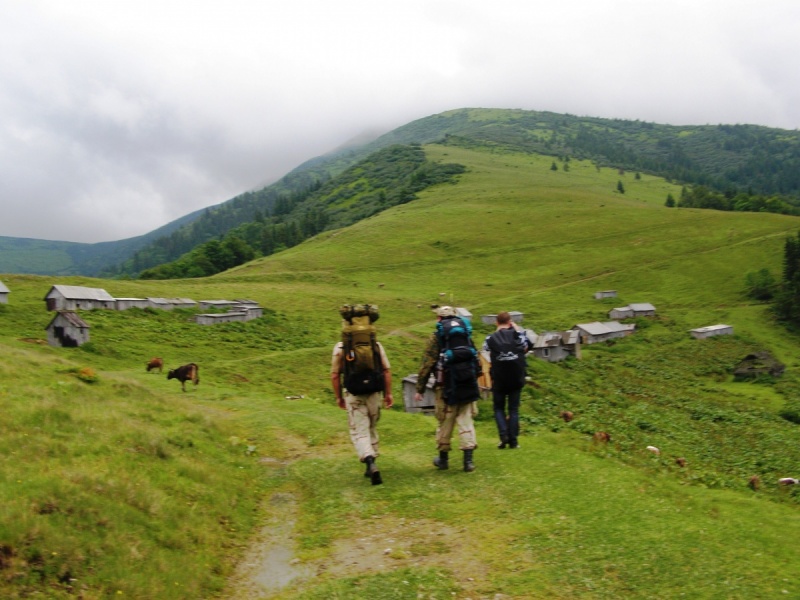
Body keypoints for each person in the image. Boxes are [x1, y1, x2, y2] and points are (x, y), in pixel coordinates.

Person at [414, 306, 480, 472]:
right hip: (467, 383)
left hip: (445, 386)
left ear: (439, 319)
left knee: (445, 420)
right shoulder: (465, 333)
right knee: (466, 420)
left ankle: (443, 459)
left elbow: (427, 364)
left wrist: (420, 388)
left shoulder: (437, 337)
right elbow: (475, 358)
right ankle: (468, 461)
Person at [331, 327, 393, 486]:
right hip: (374, 394)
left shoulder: (341, 348)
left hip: (354, 395)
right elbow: (386, 370)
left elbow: (335, 374)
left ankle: (370, 462)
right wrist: (388, 394)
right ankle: (372, 460)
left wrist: (338, 397)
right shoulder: (376, 346)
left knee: (359, 430)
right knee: (371, 426)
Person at [482, 311, 532, 449]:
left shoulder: (490, 338)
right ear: (510, 322)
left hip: (499, 379)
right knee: (513, 410)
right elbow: (527, 345)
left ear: (496, 322)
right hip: (516, 378)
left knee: (498, 408)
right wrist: (517, 330)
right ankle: (514, 441)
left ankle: (503, 435)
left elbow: (484, 350)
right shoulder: (517, 335)